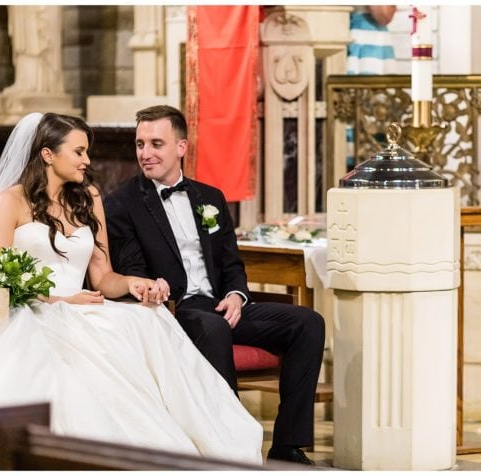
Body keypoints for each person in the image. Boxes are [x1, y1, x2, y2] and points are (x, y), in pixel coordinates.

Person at [0, 113, 263, 469]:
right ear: (48, 155)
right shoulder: (10, 201)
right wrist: (58, 299)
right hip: (31, 312)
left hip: (87, 306)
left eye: (87, 152)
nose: (86, 161)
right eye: (78, 151)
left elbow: (103, 277)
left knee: (149, 321)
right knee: (68, 369)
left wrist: (133, 283)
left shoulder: (89, 198)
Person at [104, 105, 325, 466]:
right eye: (140, 143)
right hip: (174, 310)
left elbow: (231, 264)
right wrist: (151, 285)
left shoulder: (210, 198)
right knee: (213, 328)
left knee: (307, 323)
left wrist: (237, 296)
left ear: (181, 147)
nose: (146, 153)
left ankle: (288, 445)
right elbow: (131, 268)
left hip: (223, 305)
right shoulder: (122, 204)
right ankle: (230, 442)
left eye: (156, 143)